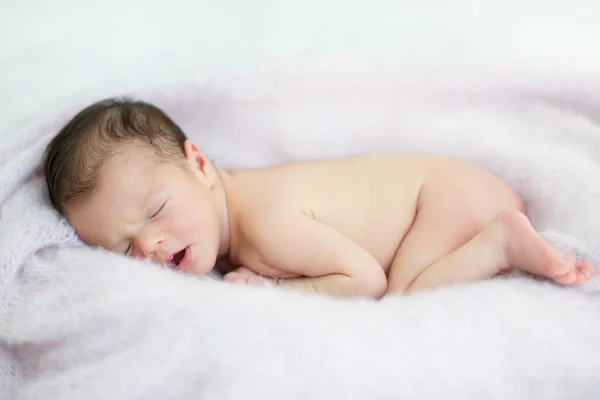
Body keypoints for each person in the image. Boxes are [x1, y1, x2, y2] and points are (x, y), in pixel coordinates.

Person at [43, 98, 595, 299]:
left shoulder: (266, 221)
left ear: (200, 164)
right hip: (452, 191)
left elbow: (363, 279)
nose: (150, 244)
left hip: (449, 199)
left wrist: (276, 289)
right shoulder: (238, 219)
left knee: (405, 295)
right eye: (121, 250)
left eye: (156, 211)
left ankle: (501, 243)